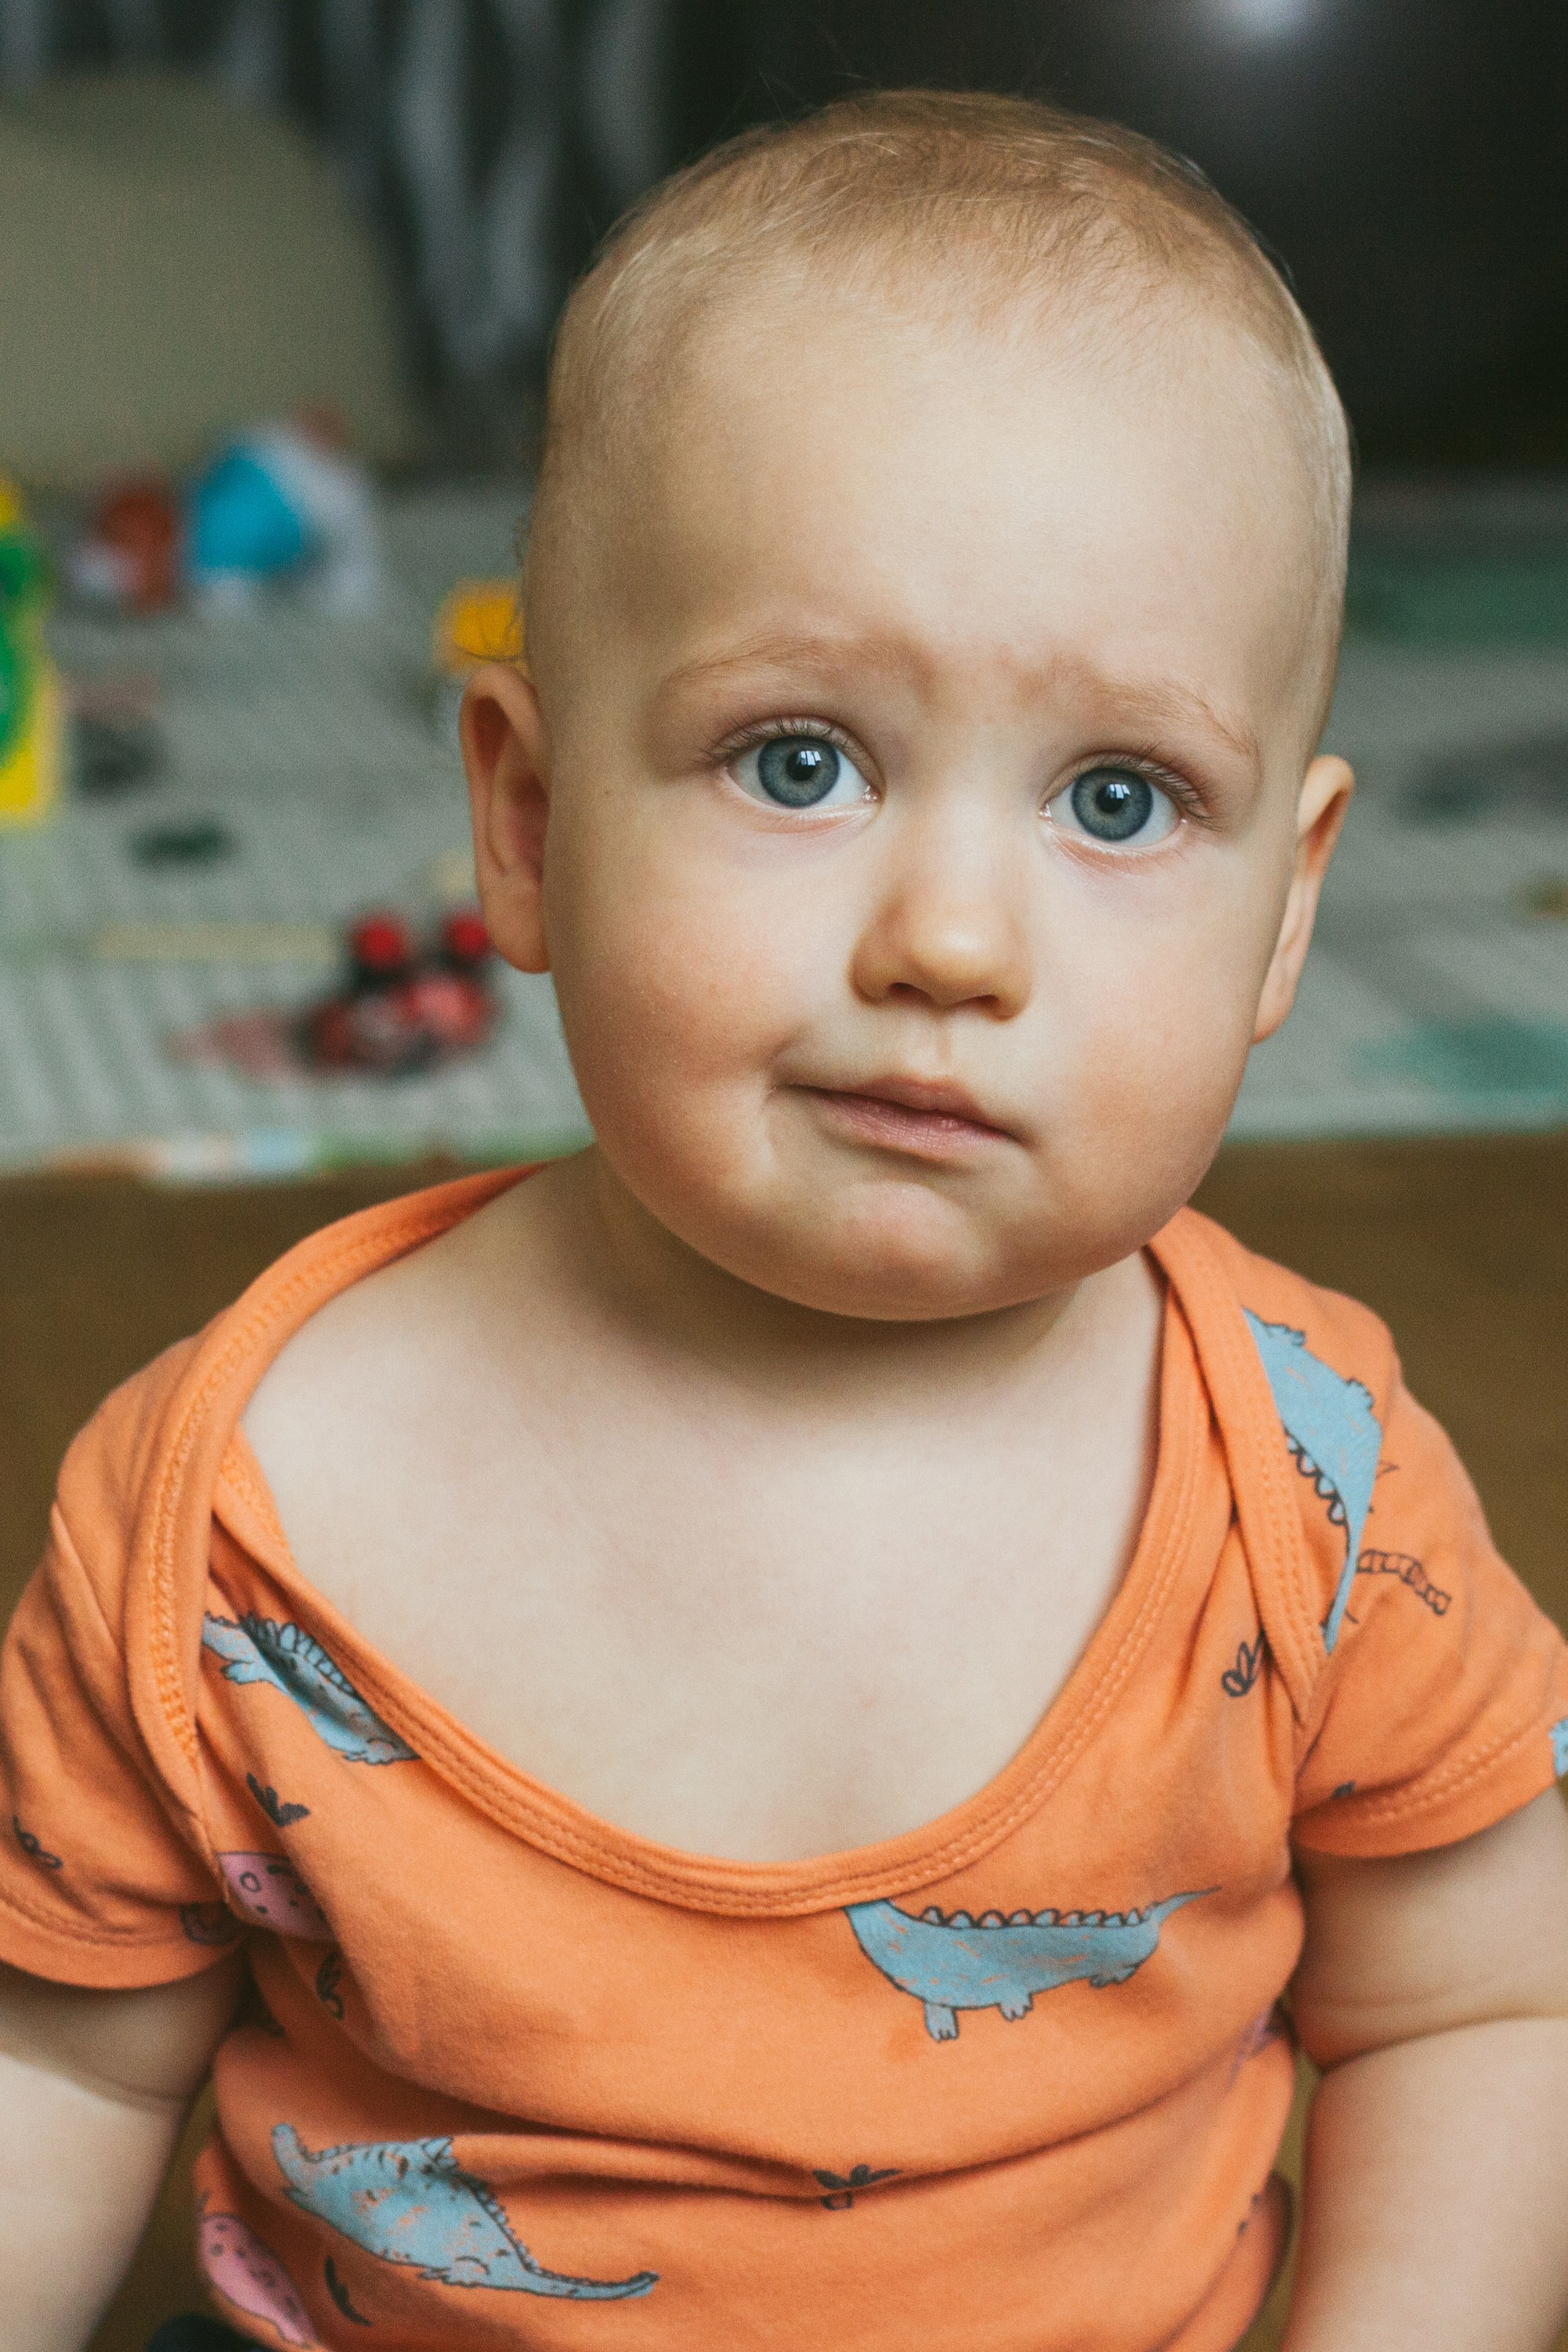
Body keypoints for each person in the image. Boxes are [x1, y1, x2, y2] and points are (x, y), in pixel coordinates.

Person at [3, 90, 1568, 2352]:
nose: (949, 936)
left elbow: (1484, 2007)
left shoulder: (1312, 1492)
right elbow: (57, 2048)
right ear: (527, 824)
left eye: (1116, 798)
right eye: (797, 759)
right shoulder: (232, 1507)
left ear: (1283, 912)